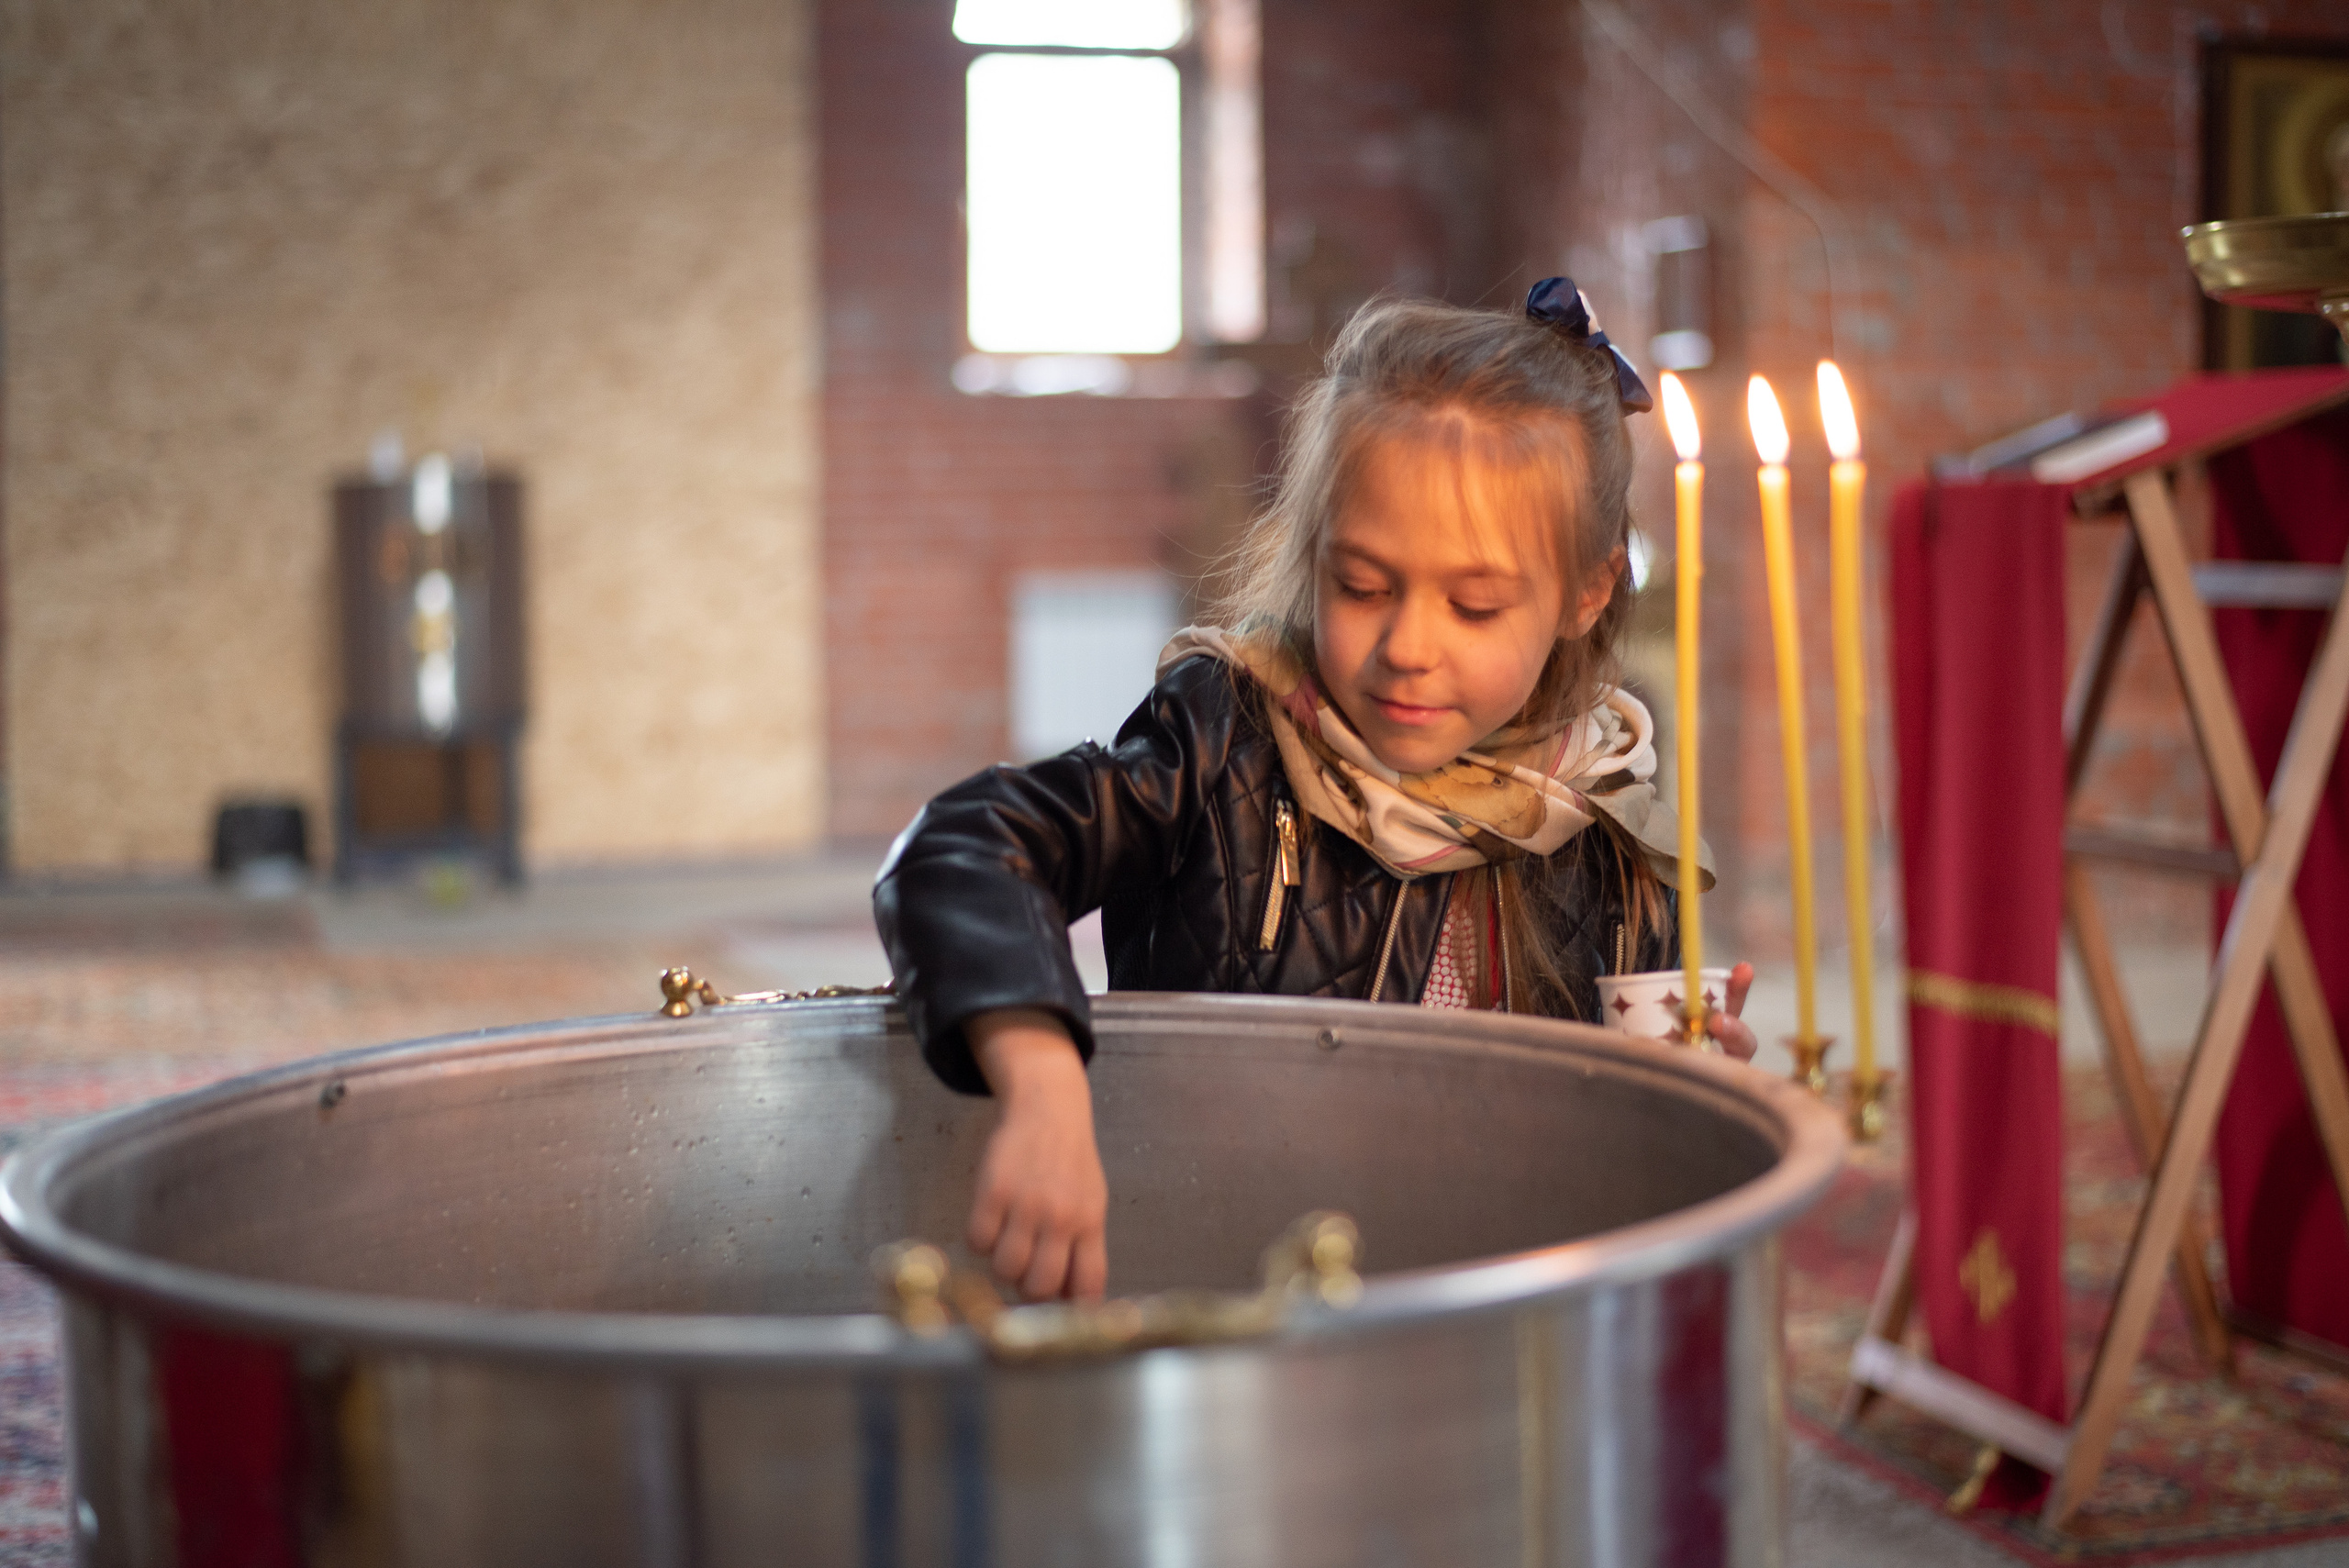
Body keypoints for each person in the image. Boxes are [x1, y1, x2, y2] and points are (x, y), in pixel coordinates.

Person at [875, 279, 1757, 1305]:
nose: (1407, 648)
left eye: (1473, 604)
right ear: (1310, 551)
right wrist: (1041, 1078)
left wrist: (1685, 1090)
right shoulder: (1222, 744)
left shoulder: (1607, 817)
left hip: (1481, 1312)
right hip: (1230, 1292)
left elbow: (1610, 1161)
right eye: (1362, 586)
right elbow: (966, 848)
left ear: (1587, 592)